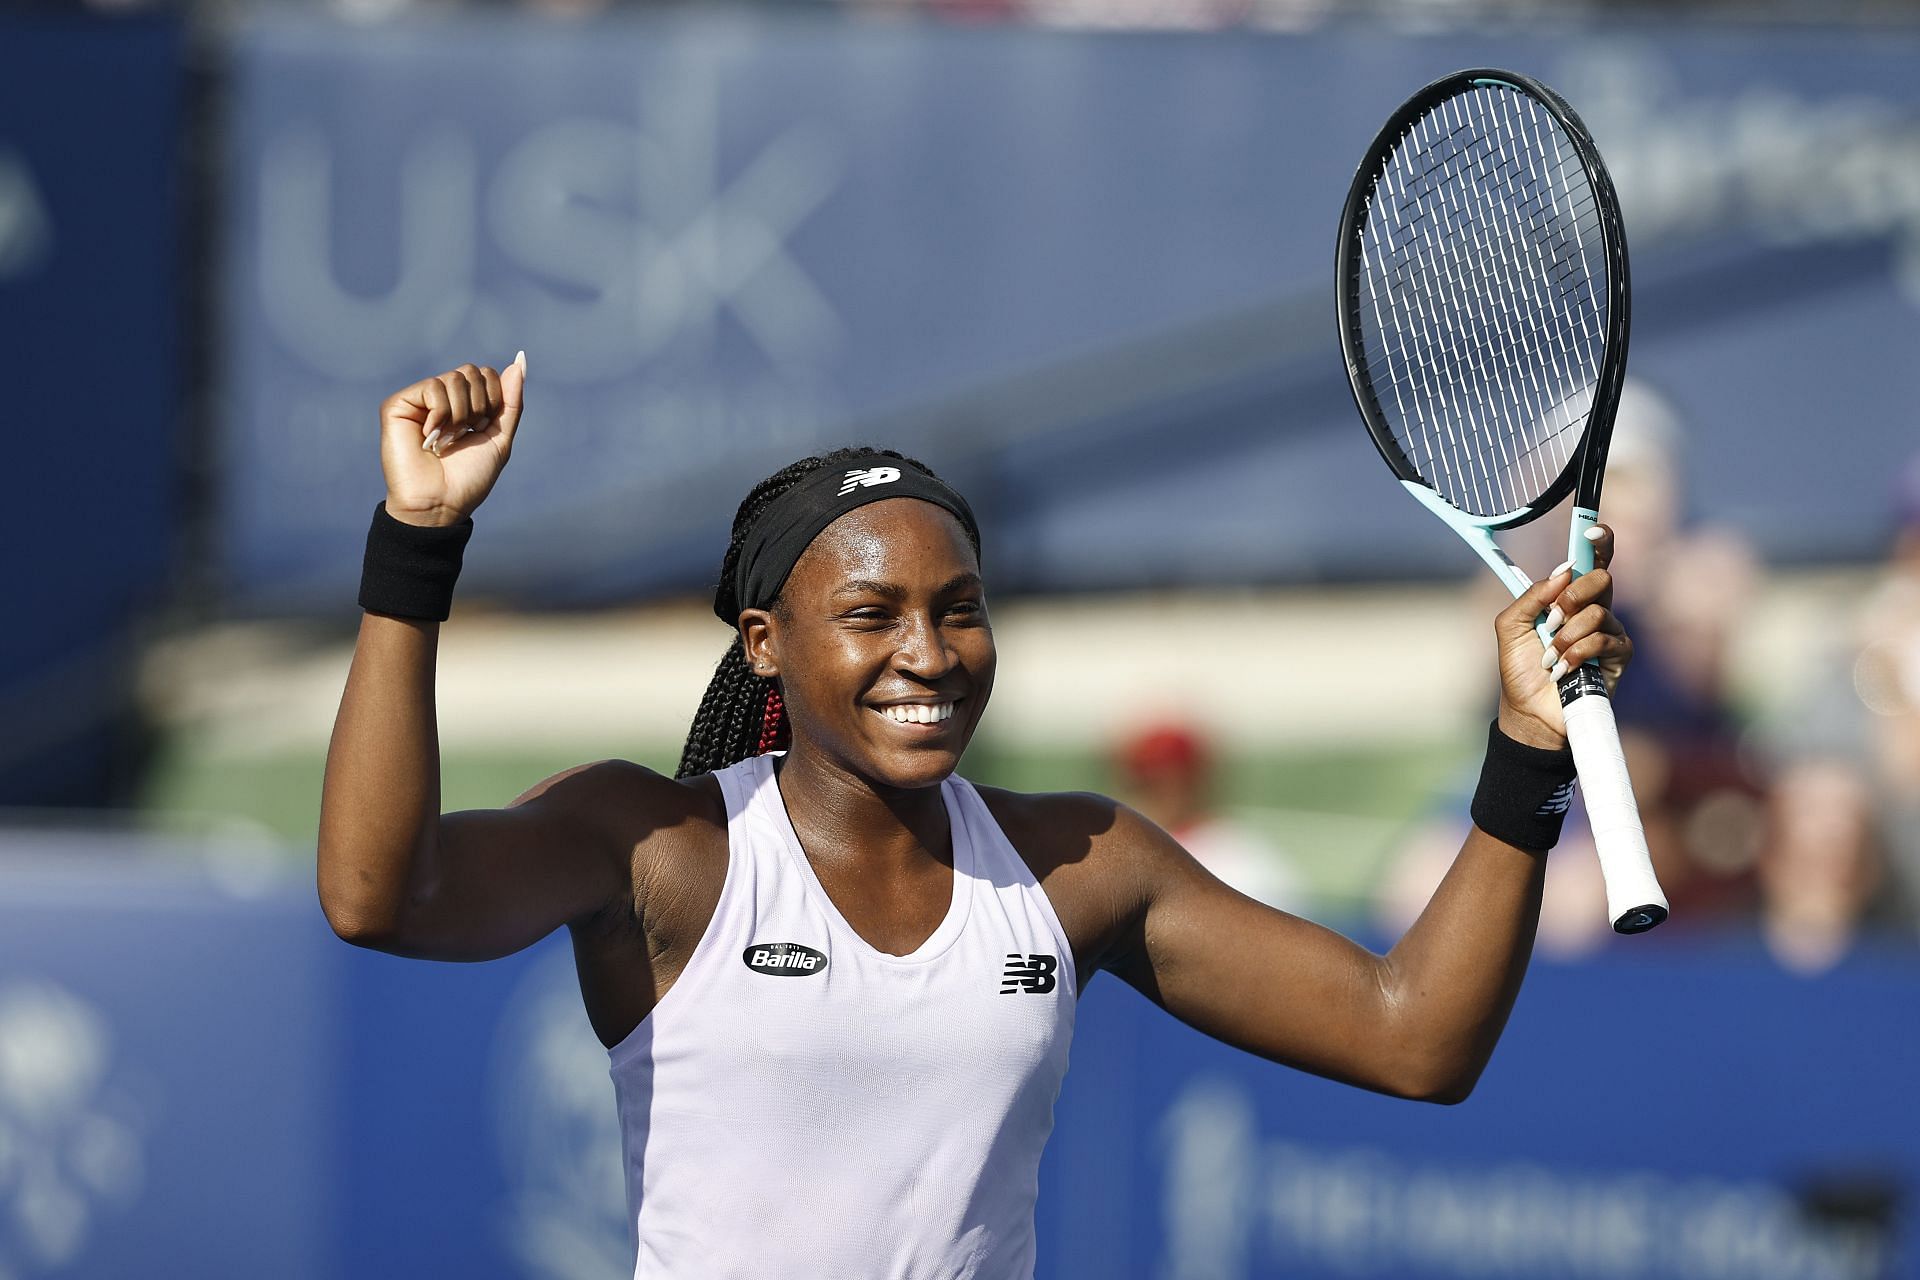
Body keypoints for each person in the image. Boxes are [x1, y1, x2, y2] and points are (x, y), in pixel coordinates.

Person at [317, 357, 1635, 1279]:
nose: (932, 652)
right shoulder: (657, 844)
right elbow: (380, 897)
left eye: (960, 608)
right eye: (874, 613)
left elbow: (1415, 1042)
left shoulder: (1084, 863)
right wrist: (418, 540)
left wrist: (1526, 750)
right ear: (767, 647)